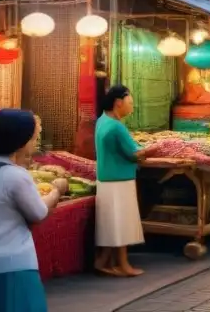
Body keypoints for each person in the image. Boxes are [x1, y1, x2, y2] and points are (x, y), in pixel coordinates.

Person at [0, 110, 62, 310]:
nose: (33, 146)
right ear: (22, 142)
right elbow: (38, 213)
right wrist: (57, 191)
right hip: (11, 268)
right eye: (33, 140)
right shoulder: (15, 176)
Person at [94, 85, 147, 277]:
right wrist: (154, 149)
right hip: (119, 181)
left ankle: (102, 262)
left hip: (106, 179)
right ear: (118, 103)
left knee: (112, 224)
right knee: (121, 224)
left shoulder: (102, 120)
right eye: (130, 103)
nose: (131, 107)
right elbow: (134, 154)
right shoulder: (117, 126)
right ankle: (123, 265)